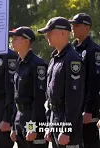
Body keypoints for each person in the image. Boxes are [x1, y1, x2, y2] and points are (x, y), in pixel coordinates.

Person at [38, 17, 85, 148]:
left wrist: (66, 129)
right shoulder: (55, 59)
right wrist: (49, 125)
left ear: (63, 33)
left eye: (50, 32)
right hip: (55, 119)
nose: (47, 36)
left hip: (67, 122)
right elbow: (50, 96)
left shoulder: (72, 59)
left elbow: (75, 98)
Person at [9, 27, 49, 148]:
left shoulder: (37, 64)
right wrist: (13, 126)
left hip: (32, 120)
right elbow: (16, 96)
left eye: (16, 39)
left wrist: (32, 126)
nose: (12, 42)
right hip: (20, 118)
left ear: (26, 41)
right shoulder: (18, 63)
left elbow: (39, 99)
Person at [69, 13, 100, 148]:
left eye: (76, 25)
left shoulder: (93, 50)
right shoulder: (72, 49)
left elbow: (95, 82)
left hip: (87, 111)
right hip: (74, 108)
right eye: (72, 25)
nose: (72, 28)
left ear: (87, 28)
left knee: (89, 142)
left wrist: (88, 109)